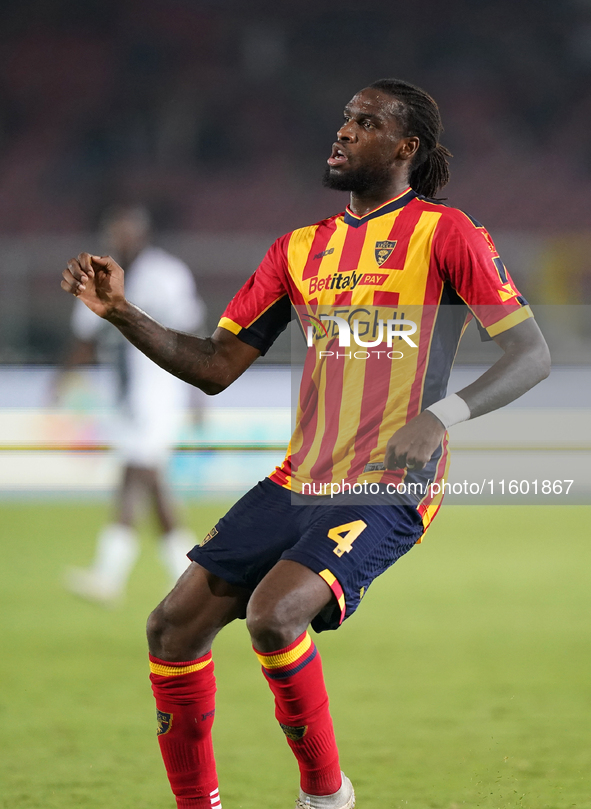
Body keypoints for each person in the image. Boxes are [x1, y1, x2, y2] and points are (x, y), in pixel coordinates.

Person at [61, 79, 550, 809]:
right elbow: (215, 367)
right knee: (170, 626)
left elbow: (529, 354)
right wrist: (121, 312)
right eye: (344, 119)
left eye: (366, 122)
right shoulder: (297, 250)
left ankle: (325, 796)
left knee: (274, 611)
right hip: (299, 480)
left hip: (388, 484)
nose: (344, 130)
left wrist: (440, 416)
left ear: (405, 148)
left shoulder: (446, 234)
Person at [60, 205, 206, 604]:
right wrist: (63, 377)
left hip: (159, 385)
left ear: (142, 233)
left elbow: (190, 330)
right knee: (151, 481)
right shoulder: (98, 276)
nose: (120, 238)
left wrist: (195, 389)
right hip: (121, 388)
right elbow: (85, 333)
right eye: (114, 231)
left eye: (126, 231)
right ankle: (188, 572)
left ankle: (108, 575)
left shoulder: (167, 274)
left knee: (135, 473)